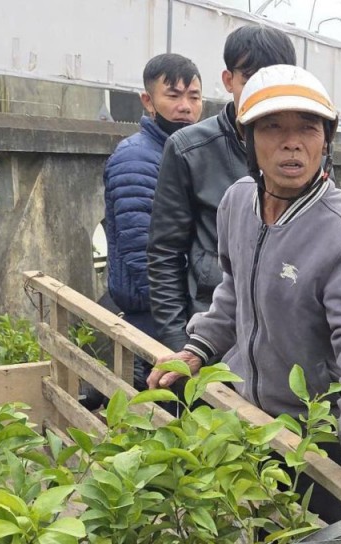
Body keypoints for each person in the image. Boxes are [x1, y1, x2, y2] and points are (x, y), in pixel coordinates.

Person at [146, 64, 341, 526]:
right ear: (248, 139)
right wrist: (197, 349)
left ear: (326, 140)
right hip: (244, 416)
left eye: (308, 129)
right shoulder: (238, 203)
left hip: (315, 432)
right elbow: (234, 289)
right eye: (273, 127)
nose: (292, 143)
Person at [146, 25, 297, 354]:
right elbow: (165, 254)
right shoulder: (189, 149)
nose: (264, 92)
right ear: (229, 81)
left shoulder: (306, 149)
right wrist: (177, 345)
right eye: (251, 79)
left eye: (275, 80)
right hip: (212, 335)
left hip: (285, 337)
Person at [104, 54, 203, 388]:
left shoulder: (188, 153)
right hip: (156, 316)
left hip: (181, 312)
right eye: (173, 96)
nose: (186, 106)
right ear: (148, 101)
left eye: (194, 96)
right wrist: (178, 330)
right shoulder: (136, 159)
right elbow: (142, 255)